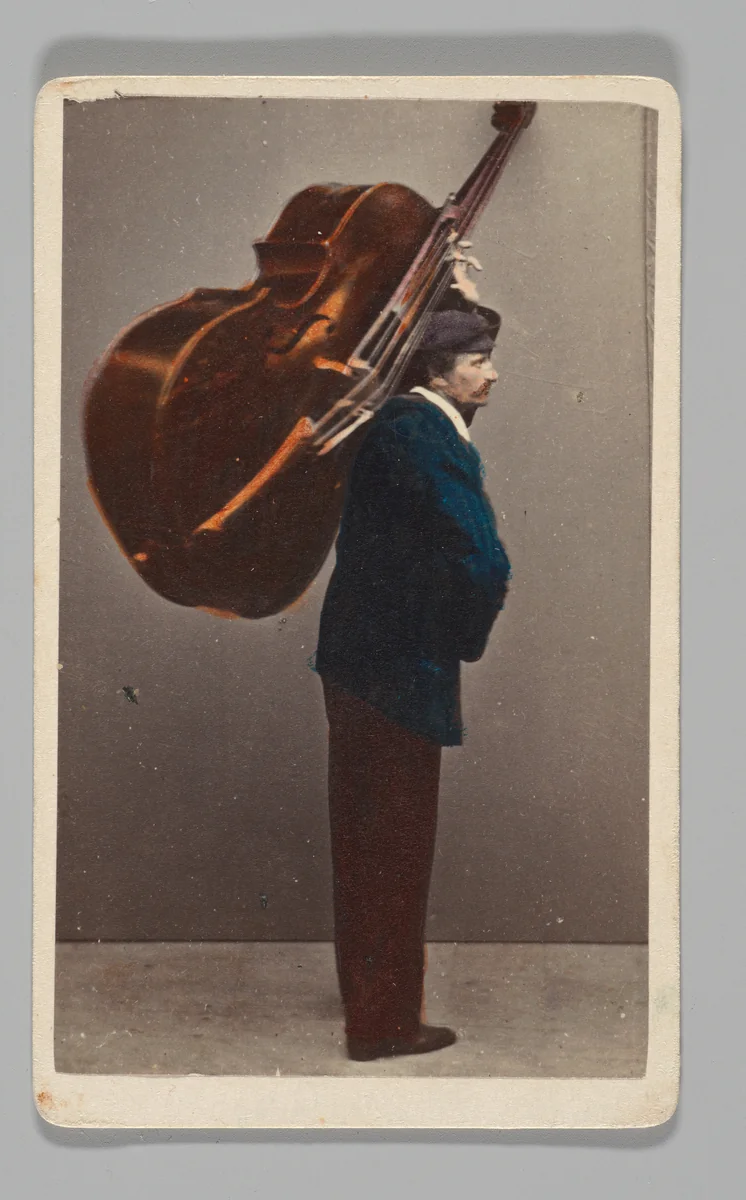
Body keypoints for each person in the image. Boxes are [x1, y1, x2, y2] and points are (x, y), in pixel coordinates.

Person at [314, 257, 512, 1062]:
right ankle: (384, 1024)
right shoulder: (428, 440)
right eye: (479, 361)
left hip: (356, 666)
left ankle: (367, 995)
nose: (493, 375)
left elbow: (446, 370)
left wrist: (458, 296)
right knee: (394, 846)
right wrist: (457, 641)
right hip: (398, 674)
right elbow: (483, 565)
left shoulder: (400, 421)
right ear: (438, 369)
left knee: (363, 840)